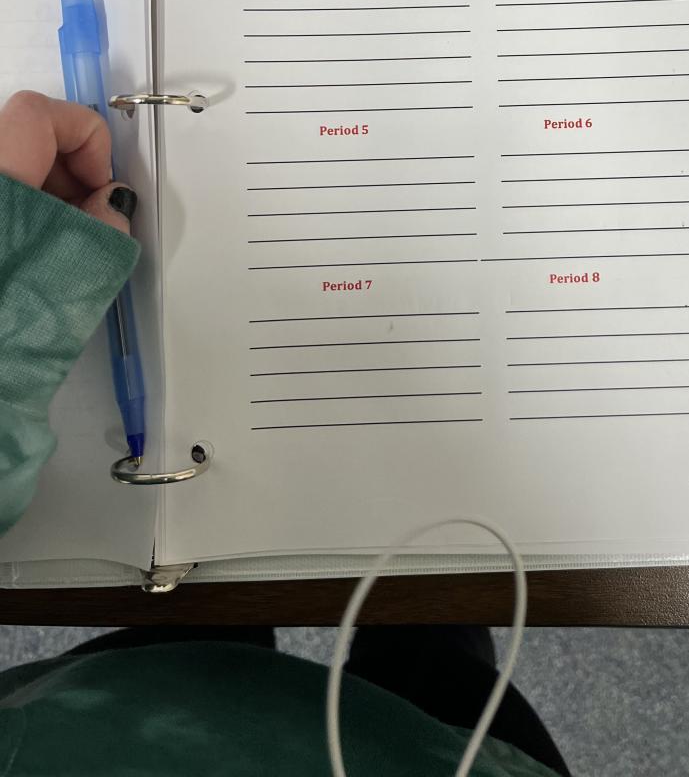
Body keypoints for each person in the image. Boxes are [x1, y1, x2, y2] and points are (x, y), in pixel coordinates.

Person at [0, 90, 571, 776]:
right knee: (432, 639)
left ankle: (342, 609)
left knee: (208, 626)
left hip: (114, 711)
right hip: (430, 756)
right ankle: (415, 612)